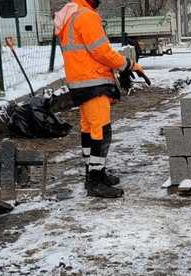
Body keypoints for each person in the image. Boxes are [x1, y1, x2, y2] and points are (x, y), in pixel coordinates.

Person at [54, 0, 145, 198]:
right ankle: (95, 181)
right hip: (93, 81)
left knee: (88, 129)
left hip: (79, 81)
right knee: (101, 131)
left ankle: (94, 173)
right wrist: (129, 65)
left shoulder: (70, 14)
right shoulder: (86, 16)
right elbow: (102, 52)